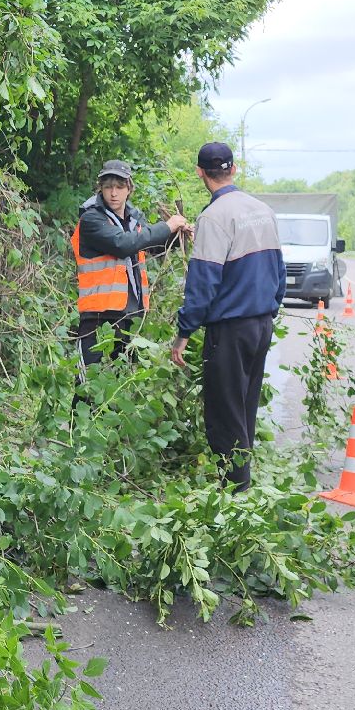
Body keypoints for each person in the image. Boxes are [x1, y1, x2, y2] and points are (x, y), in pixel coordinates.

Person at [165, 142, 283, 488]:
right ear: (233, 169)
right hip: (261, 325)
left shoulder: (214, 218)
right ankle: (242, 487)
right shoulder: (263, 210)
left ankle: (235, 494)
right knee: (245, 408)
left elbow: (202, 284)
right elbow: (279, 271)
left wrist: (183, 334)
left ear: (201, 173)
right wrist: (269, 310)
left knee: (223, 415)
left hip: (230, 331)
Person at [72, 159, 182, 366]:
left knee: (122, 384)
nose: (114, 193)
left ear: (129, 188)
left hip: (130, 316)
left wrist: (177, 236)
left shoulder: (134, 219)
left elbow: (152, 247)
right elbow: (123, 244)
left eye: (120, 187)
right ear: (101, 189)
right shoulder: (91, 219)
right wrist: (166, 227)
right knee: (87, 389)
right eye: (108, 187)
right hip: (97, 317)